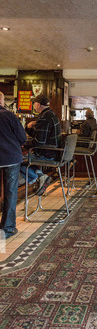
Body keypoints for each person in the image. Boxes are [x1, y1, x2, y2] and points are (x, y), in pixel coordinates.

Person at [20, 94, 62, 195]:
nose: (34, 105)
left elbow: (39, 142)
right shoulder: (51, 115)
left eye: (34, 103)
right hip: (53, 152)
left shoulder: (44, 118)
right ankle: (41, 176)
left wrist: (24, 144)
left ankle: (38, 177)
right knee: (24, 159)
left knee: (18, 160)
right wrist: (29, 128)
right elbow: (39, 137)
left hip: (47, 154)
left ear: (38, 105)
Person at [0, 92, 27, 239]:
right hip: (10, 157)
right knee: (10, 192)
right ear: (2, 100)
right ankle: (7, 228)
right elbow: (22, 137)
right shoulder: (9, 116)